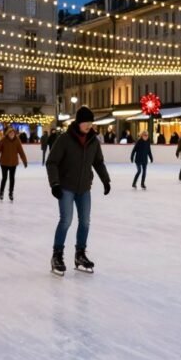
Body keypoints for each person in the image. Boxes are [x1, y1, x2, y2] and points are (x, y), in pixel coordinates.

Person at [46, 106, 111, 276]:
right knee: (66, 221)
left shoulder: (93, 141)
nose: (89, 126)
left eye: (91, 123)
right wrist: (55, 184)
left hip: (84, 188)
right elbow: (51, 162)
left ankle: (80, 254)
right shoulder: (64, 139)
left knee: (85, 222)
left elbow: (98, 162)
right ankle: (57, 256)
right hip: (66, 187)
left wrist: (106, 180)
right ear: (79, 122)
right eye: (86, 122)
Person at [0, 127, 28, 201]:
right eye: (10, 133)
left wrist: (25, 161)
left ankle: (11, 193)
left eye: (13, 133)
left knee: (12, 178)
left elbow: (21, 152)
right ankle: (1, 193)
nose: (12, 135)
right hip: (4, 163)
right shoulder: (3, 140)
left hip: (13, 163)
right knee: (4, 178)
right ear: (7, 134)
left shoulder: (17, 140)